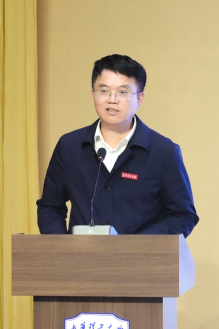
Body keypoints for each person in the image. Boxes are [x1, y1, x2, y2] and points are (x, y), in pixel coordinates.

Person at [37, 54, 198, 237]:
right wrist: (61, 246)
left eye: (122, 92)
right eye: (104, 90)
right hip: (80, 255)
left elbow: (182, 216)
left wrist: (138, 245)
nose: (112, 99)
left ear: (139, 99)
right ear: (93, 94)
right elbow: (50, 207)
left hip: (140, 255)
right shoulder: (69, 146)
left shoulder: (164, 152)